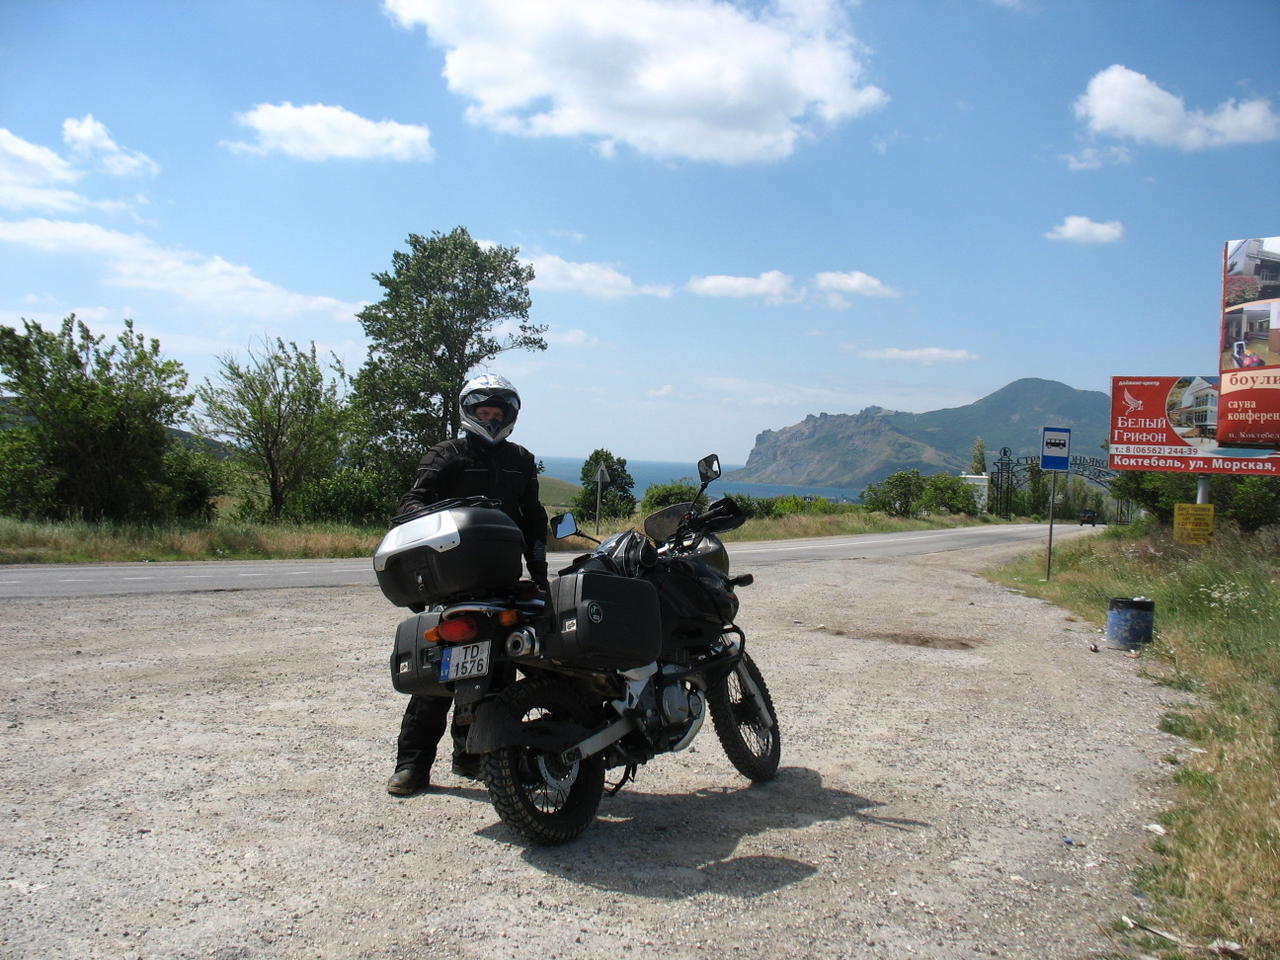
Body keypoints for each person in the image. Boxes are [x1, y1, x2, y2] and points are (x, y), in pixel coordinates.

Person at [386, 374, 549, 796]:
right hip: (453, 577)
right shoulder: (446, 455)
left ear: (509, 416)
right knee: (436, 673)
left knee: (500, 667)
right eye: (484, 411)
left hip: (502, 576)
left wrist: (540, 573)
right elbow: (412, 502)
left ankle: (474, 756)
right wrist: (434, 520)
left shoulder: (521, 459)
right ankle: (412, 765)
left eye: (497, 412)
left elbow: (532, 516)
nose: (491, 418)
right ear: (470, 413)